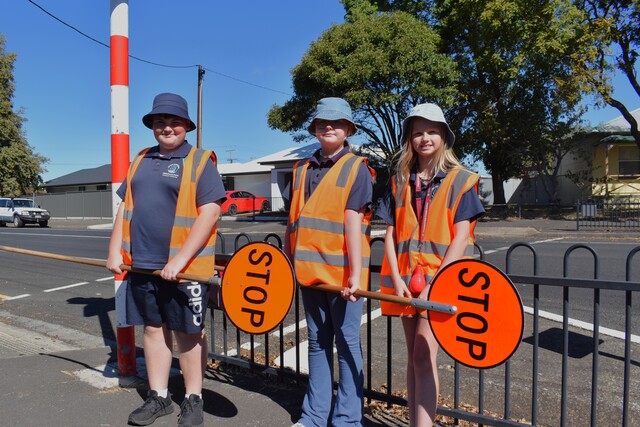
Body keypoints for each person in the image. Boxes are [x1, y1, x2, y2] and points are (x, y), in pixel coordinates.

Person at [106, 92, 226, 427]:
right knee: (154, 329)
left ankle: (193, 398)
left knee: (189, 334)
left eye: (174, 122)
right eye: (161, 121)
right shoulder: (141, 159)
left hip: (185, 270)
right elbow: (125, 208)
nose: (167, 127)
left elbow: (210, 213)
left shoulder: (200, 161)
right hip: (142, 263)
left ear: (186, 126)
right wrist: (114, 249)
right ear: (152, 126)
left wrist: (181, 261)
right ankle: (159, 397)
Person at [377, 103, 484, 427]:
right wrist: (397, 280)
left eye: (432, 131)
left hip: (439, 282)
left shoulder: (461, 180)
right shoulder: (399, 181)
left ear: (444, 136)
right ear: (409, 138)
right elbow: (390, 234)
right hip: (406, 283)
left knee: (425, 357)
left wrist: (438, 283)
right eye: (418, 132)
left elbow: (462, 236)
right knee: (413, 358)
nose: (425, 138)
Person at [285, 97, 375, 427]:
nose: (329, 127)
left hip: (343, 275)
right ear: (314, 129)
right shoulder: (301, 169)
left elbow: (353, 222)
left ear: (348, 129)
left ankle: (348, 420)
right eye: (323, 122)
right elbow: (292, 221)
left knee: (347, 344)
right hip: (309, 272)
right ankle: (314, 416)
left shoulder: (356, 167)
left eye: (336, 123)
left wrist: (356, 276)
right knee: (317, 343)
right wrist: (288, 263)